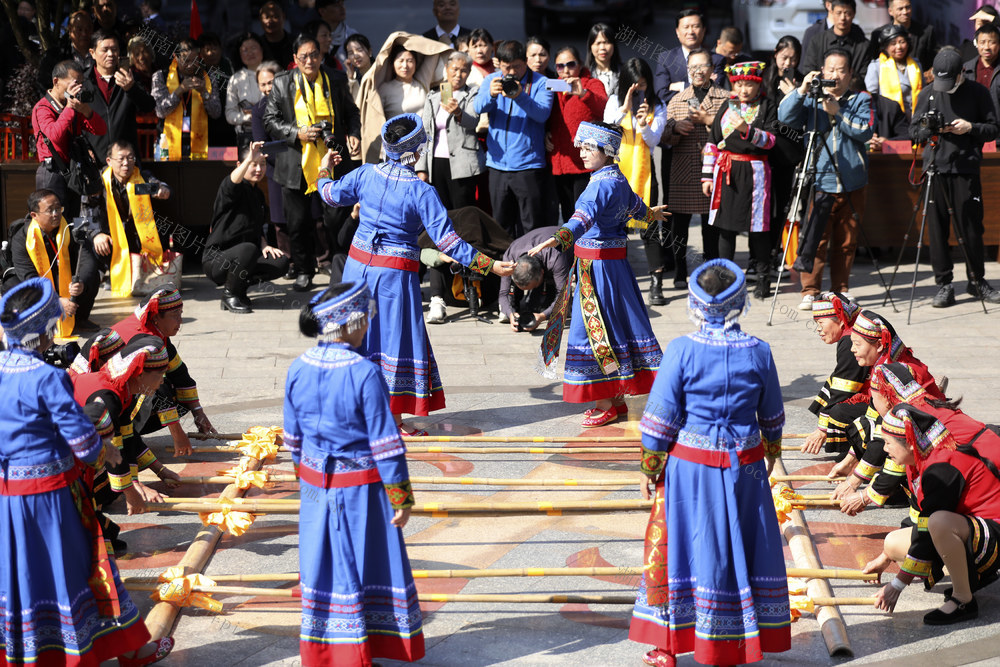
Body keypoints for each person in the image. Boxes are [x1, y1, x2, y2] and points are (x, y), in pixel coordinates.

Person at [0, 278, 174, 667]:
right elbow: (83, 442)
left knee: (26, 575)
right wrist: (108, 453)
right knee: (87, 570)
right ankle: (128, 650)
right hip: (52, 498)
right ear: (45, 332)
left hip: (9, 499)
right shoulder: (48, 378)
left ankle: (31, 654)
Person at [628, 259, 790, 667]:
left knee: (679, 547)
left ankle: (668, 645)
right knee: (739, 548)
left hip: (689, 469)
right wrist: (771, 455)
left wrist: (650, 467)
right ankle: (736, 641)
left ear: (696, 302)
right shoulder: (759, 351)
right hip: (745, 468)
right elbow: (771, 417)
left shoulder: (682, 350)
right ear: (739, 300)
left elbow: (660, 419)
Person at [316, 114, 514, 434]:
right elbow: (449, 242)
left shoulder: (365, 174)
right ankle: (393, 420)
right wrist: (489, 265)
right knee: (394, 342)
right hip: (393, 278)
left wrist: (325, 167)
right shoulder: (422, 192)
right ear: (416, 150)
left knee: (358, 338)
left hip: (356, 271)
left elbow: (328, 194)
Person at [285, 281, 424, 666]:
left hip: (315, 484)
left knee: (323, 565)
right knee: (367, 565)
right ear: (350, 324)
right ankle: (365, 650)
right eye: (365, 320)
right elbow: (386, 444)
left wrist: (307, 482)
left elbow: (292, 439)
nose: (368, 328)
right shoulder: (365, 373)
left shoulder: (298, 367)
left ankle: (330, 650)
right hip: (361, 490)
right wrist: (401, 497)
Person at [528, 121, 667, 427]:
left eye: (589, 148)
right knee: (618, 327)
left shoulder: (598, 185)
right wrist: (651, 213)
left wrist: (560, 236)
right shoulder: (617, 178)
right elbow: (635, 207)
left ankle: (604, 402)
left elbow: (582, 218)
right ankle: (616, 398)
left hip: (596, 272)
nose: (583, 153)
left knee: (593, 332)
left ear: (607, 151)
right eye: (582, 147)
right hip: (616, 269)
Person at [866, 403, 1000, 625]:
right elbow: (921, 521)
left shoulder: (940, 467)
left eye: (888, 443)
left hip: (993, 531)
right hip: (971, 527)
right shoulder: (918, 461)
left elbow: (929, 527)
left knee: (939, 523)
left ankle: (963, 599)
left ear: (909, 444)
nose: (885, 449)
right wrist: (884, 558)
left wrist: (898, 584)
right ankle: (973, 575)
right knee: (892, 543)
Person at [264, 32, 361, 291]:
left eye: (314, 55)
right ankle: (304, 269)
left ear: (322, 56)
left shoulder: (336, 79)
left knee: (335, 218)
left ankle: (340, 265)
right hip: (296, 161)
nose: (310, 60)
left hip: (333, 158)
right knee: (298, 222)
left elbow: (352, 112)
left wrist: (353, 132)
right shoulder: (283, 82)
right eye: (304, 56)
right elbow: (270, 120)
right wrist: (297, 133)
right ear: (295, 58)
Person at [779, 48, 873, 310]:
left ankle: (840, 290)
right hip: (820, 181)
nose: (835, 75)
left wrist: (838, 112)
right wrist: (801, 90)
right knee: (815, 238)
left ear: (850, 73)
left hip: (853, 182)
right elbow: (784, 118)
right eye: (830, 70)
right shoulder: (811, 99)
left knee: (847, 241)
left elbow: (865, 132)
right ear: (821, 71)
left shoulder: (860, 99)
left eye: (841, 70)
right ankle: (810, 290)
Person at [911, 47, 1000, 307]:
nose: (944, 87)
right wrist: (928, 128)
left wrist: (970, 127)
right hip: (935, 168)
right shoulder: (927, 93)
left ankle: (976, 280)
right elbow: (914, 132)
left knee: (971, 227)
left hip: (965, 168)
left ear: (962, 73)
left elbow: (993, 129)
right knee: (937, 229)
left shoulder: (978, 93)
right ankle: (944, 284)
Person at [73, 334, 180, 521]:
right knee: (105, 489)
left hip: (80, 441)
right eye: (159, 375)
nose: (162, 381)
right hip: (56, 444)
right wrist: (132, 493)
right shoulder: (109, 397)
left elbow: (128, 439)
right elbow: (111, 450)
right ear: (139, 373)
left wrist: (160, 471)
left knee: (113, 484)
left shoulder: (124, 391)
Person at [702, 61, 778, 299]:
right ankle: (726, 281)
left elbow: (771, 141)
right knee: (726, 228)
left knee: (758, 229)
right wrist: (706, 175)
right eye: (739, 84)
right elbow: (712, 142)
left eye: (749, 84)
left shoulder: (767, 106)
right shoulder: (728, 105)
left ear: (758, 85)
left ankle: (763, 279)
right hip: (726, 172)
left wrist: (747, 129)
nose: (744, 90)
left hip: (755, 171)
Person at [113, 285, 217, 457]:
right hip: (105, 404)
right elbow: (157, 388)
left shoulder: (158, 334)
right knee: (159, 385)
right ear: (155, 317)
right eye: (175, 316)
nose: (180, 321)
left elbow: (180, 375)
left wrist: (199, 414)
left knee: (179, 394)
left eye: (181, 314)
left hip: (127, 394)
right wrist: (178, 434)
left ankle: (131, 435)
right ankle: (124, 435)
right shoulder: (144, 339)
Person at [660, 49, 729, 287]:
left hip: (714, 169)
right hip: (683, 169)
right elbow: (664, 137)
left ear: (712, 70)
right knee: (679, 225)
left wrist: (710, 123)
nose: (698, 72)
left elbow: (734, 134)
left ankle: (712, 272)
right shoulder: (677, 99)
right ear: (687, 71)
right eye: (693, 68)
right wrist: (675, 129)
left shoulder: (726, 98)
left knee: (712, 226)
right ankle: (680, 272)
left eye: (703, 67)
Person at [474, 40, 554, 238]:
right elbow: (477, 108)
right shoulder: (492, 79)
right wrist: (491, 95)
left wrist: (519, 95)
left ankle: (532, 267)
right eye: (506, 67)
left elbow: (542, 114)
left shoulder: (541, 83)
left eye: (516, 66)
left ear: (525, 62)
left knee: (531, 224)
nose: (511, 72)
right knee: (501, 225)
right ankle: (505, 266)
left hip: (528, 165)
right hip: (497, 165)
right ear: (498, 63)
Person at [604, 57, 668, 304]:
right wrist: (624, 109)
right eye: (634, 86)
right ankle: (617, 281)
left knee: (649, 225)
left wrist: (642, 124)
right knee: (616, 227)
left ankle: (656, 282)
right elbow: (607, 132)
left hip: (644, 173)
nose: (639, 90)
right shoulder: (614, 102)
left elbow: (653, 141)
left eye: (643, 85)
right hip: (617, 172)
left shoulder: (657, 106)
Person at [204, 141, 289, 313]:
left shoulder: (257, 194)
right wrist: (249, 157)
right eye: (253, 164)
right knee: (248, 250)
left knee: (281, 262)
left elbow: (256, 229)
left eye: (262, 165)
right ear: (240, 165)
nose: (258, 169)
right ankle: (229, 295)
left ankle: (238, 288)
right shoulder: (231, 188)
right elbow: (232, 181)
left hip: (244, 256)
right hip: (217, 260)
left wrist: (265, 246)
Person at [32, 59, 107, 224]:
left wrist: (86, 110)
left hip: (73, 172)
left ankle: (71, 250)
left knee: (72, 223)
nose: (78, 88)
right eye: (73, 83)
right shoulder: (43, 108)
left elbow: (101, 130)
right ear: (56, 82)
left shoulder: (72, 106)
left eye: (80, 83)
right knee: (52, 223)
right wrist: (69, 109)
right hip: (51, 174)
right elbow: (54, 136)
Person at [8, 189, 88, 338]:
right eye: (50, 211)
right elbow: (29, 277)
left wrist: (80, 281)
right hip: (38, 287)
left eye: (58, 208)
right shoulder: (22, 238)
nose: (56, 213)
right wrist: (55, 301)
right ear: (34, 215)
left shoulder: (69, 229)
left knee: (91, 275)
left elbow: (84, 258)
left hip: (65, 283)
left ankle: (80, 319)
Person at [98, 140, 171, 298]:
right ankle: (108, 273)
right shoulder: (100, 181)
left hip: (137, 234)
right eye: (121, 159)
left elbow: (157, 186)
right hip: (110, 234)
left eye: (130, 158)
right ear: (109, 161)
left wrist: (162, 189)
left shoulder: (140, 178)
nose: (126, 163)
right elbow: (86, 211)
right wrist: (96, 234)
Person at [800, 292, 867, 457]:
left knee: (839, 411)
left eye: (821, 322)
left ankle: (860, 447)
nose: (818, 329)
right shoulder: (853, 330)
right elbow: (843, 379)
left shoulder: (851, 339)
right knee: (833, 382)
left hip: (887, 398)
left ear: (839, 318)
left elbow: (845, 389)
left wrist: (823, 429)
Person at [547, 46, 608, 224]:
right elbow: (545, 115)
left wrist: (583, 93)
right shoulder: (553, 85)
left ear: (580, 64)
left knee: (586, 214)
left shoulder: (592, 84)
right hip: (561, 162)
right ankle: (572, 250)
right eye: (560, 66)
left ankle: (588, 250)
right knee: (568, 214)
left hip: (585, 164)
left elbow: (604, 107)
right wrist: (545, 133)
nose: (565, 70)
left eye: (571, 64)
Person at [415, 51, 482, 210]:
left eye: (463, 70)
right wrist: (421, 167)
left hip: (462, 163)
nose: (458, 74)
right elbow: (425, 133)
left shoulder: (473, 93)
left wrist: (458, 113)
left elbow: (473, 121)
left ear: (469, 73)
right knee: (440, 209)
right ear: (446, 68)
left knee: (463, 209)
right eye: (455, 69)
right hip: (436, 161)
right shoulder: (434, 95)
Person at [83, 30, 156, 164]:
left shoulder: (130, 78)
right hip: (95, 162)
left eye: (114, 49)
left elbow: (149, 106)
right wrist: (84, 149)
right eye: (105, 50)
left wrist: (131, 89)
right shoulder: (83, 82)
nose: (110, 54)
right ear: (92, 53)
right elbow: (74, 121)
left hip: (126, 163)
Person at [151, 37, 222, 160]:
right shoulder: (160, 76)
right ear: (176, 56)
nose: (190, 65)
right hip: (167, 140)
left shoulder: (208, 77)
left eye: (194, 60)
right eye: (186, 60)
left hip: (199, 140)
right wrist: (179, 90)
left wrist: (204, 93)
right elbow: (160, 112)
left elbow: (216, 113)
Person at [498, 225, 572, 331]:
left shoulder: (555, 257)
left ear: (542, 272)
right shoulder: (510, 257)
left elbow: (564, 296)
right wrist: (511, 314)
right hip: (535, 246)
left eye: (534, 286)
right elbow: (503, 293)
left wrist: (543, 316)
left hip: (573, 247)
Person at [869, 0, 937, 80]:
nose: (905, 12)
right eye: (900, 9)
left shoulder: (926, 32)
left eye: (907, 7)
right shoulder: (878, 34)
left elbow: (933, 62)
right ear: (890, 11)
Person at [801, 0, 872, 75]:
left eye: (847, 13)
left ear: (853, 14)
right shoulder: (817, 41)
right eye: (838, 13)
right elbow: (808, 70)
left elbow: (863, 75)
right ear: (831, 13)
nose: (842, 18)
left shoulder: (863, 46)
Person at [865, 24, 922, 117]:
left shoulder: (916, 65)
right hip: (888, 119)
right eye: (893, 43)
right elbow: (871, 98)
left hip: (915, 119)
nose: (899, 47)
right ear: (885, 47)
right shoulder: (876, 67)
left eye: (902, 42)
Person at [225, 32, 266, 151]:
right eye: (245, 50)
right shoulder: (236, 79)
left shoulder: (275, 74)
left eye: (253, 48)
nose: (250, 53)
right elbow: (229, 114)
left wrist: (259, 112)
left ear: (262, 49)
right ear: (239, 54)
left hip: (271, 134)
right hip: (247, 137)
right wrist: (246, 117)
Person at [378, 44, 428, 119]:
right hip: (396, 130)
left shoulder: (422, 81)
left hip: (423, 130)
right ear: (392, 63)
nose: (405, 65)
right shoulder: (385, 89)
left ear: (415, 63)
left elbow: (435, 49)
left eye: (409, 61)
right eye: (400, 61)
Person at [962, 22, 1000, 115]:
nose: (986, 47)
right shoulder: (966, 69)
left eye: (992, 42)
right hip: (974, 125)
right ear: (976, 44)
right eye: (982, 42)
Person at [316, 0, 357, 68]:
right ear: (322, 11)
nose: (342, 8)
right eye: (336, 5)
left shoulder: (352, 36)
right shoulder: (311, 36)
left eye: (342, 4)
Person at [586, 23, 621, 99]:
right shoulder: (585, 75)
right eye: (598, 43)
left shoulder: (624, 72)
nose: (602, 48)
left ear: (614, 45)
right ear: (590, 47)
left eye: (606, 42)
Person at [259, 0, 294, 68]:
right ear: (260, 20)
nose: (270, 21)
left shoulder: (294, 42)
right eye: (266, 17)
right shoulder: (257, 45)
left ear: (283, 17)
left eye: (275, 17)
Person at [344, 32, 373, 105]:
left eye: (359, 50)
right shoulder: (350, 77)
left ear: (370, 52)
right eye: (351, 53)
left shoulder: (381, 72)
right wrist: (350, 78)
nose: (356, 56)